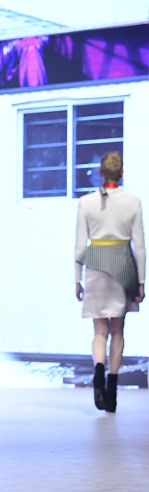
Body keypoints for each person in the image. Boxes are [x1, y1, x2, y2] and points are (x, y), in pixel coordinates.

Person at [75, 151, 145, 413]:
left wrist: (76, 279)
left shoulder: (86, 202)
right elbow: (140, 246)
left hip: (96, 263)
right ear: (122, 173)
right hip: (123, 263)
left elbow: (79, 245)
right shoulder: (133, 202)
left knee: (99, 330)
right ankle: (112, 388)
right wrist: (141, 280)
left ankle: (99, 372)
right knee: (118, 330)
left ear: (100, 173)